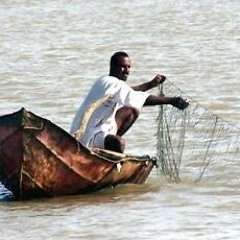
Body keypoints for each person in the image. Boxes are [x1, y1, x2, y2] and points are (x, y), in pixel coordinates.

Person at [70, 51, 189, 153]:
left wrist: (150, 84)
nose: (126, 71)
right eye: (122, 67)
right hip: (86, 138)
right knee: (119, 143)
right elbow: (141, 98)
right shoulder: (112, 82)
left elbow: (128, 92)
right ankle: (111, 158)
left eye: (128, 67)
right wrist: (171, 100)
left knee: (131, 111)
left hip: (96, 129)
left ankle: (107, 147)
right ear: (113, 67)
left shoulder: (107, 81)